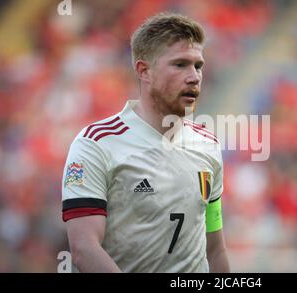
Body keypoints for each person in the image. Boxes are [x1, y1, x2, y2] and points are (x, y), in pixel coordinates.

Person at [61, 12, 230, 273]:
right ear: (144, 71)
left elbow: (215, 248)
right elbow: (84, 249)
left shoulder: (208, 145)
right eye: (180, 64)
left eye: (198, 66)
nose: (194, 77)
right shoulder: (96, 144)